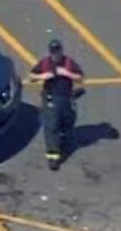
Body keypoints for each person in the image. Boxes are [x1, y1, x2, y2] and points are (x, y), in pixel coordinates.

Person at [28, 39, 83, 171]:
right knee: (52, 126)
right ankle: (53, 156)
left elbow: (80, 77)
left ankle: (63, 141)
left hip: (66, 98)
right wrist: (43, 76)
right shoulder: (45, 63)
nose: (55, 55)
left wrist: (67, 73)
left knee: (67, 121)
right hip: (51, 98)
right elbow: (31, 76)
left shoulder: (68, 62)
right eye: (53, 53)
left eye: (57, 52)